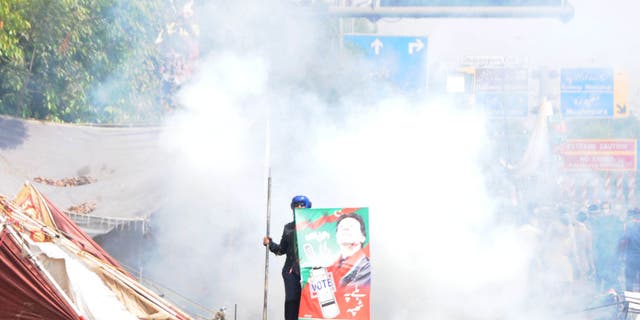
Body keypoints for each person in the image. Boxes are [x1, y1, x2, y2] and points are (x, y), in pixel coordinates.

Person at [263, 195, 312, 320]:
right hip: (291, 271)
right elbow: (281, 250)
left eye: (302, 205)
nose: (299, 207)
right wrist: (270, 244)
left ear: (307, 207)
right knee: (292, 301)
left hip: (310, 271)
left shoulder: (315, 226)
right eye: (296, 205)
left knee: (311, 302)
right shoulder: (288, 228)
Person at [328, 212, 370, 288]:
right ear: (337, 237)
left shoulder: (367, 267)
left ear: (362, 237)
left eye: (351, 226)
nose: (345, 229)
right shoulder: (329, 267)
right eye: (341, 227)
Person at [620, 208, 640, 291]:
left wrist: (621, 255)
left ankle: (629, 301)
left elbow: (624, 241)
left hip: (631, 257)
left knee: (629, 281)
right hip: (634, 256)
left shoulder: (627, 225)